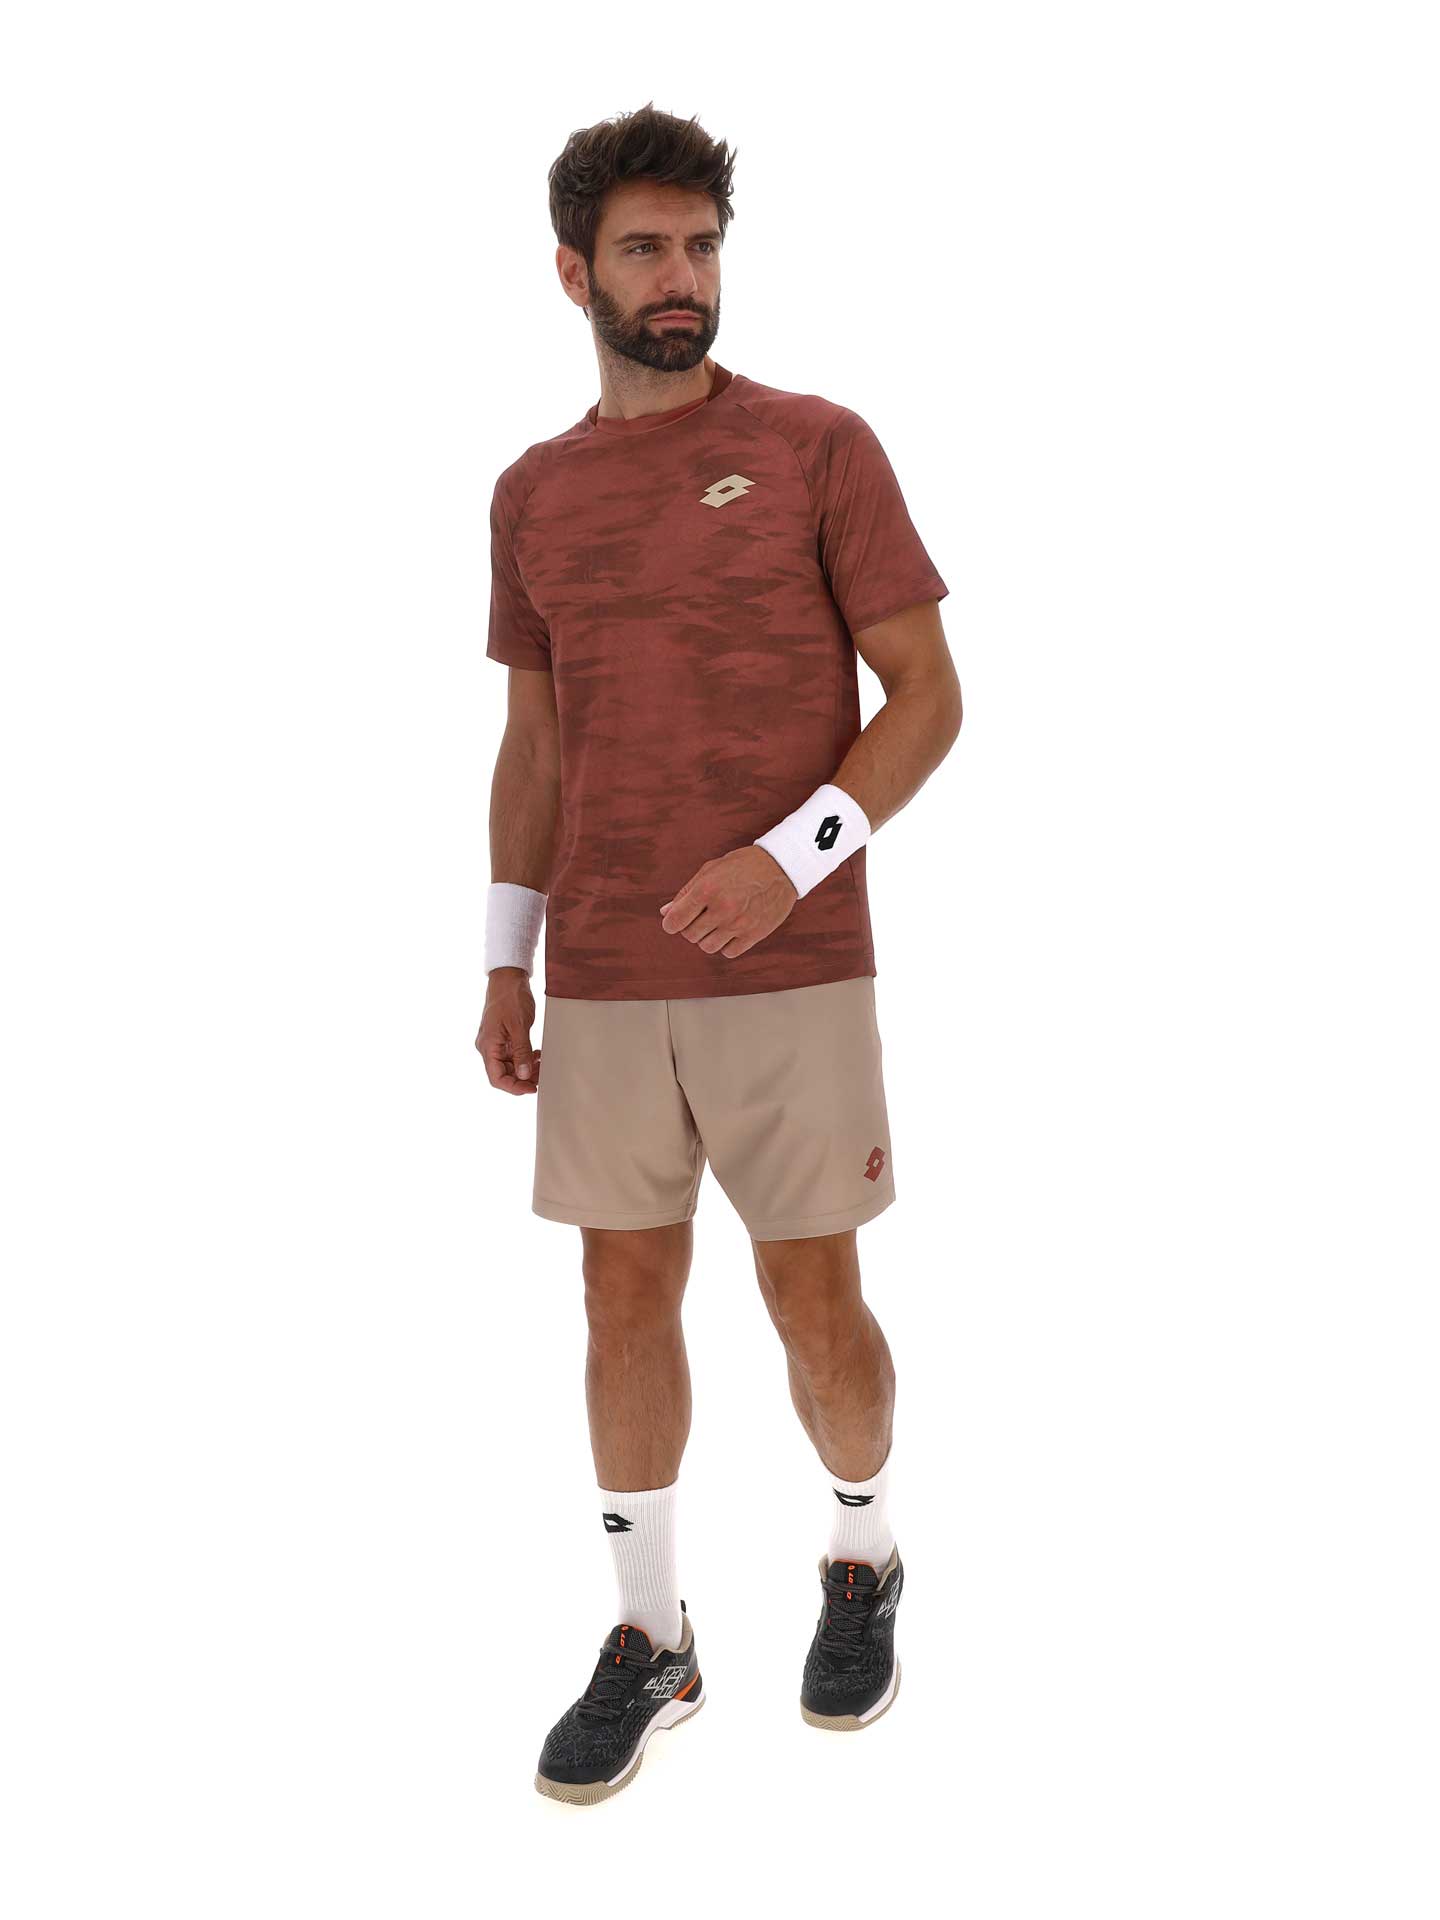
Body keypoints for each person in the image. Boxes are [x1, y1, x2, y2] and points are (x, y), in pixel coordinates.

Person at [476, 102, 962, 1805]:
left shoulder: (821, 447)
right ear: (575, 274)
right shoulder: (532, 493)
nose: (680, 276)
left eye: (699, 246)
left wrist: (790, 856)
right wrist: (504, 956)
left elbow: (930, 696)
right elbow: (537, 745)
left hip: (792, 965)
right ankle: (650, 1635)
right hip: (606, 975)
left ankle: (864, 1548)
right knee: (619, 1293)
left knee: (813, 1301)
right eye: (644, 250)